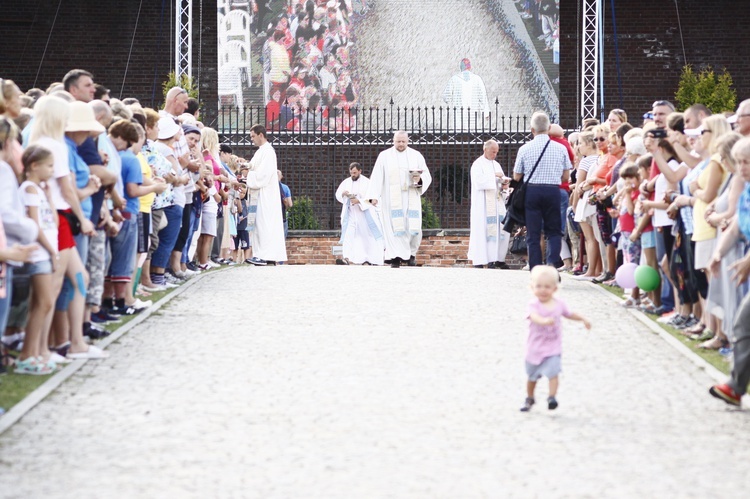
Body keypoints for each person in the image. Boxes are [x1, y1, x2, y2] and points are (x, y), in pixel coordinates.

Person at [520, 265, 591, 412]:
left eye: (547, 286)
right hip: (535, 348)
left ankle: (552, 397)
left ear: (554, 289)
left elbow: (569, 314)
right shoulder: (533, 304)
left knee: (553, 372)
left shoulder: (559, 304)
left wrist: (583, 319)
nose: (543, 290)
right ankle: (530, 397)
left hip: (553, 347)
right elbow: (534, 317)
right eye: (539, 286)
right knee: (532, 376)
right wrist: (544, 321)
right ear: (532, 288)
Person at [513, 112, 572, 269]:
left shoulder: (524, 149)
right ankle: (552, 264)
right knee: (553, 231)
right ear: (549, 128)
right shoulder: (560, 148)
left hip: (532, 191)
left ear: (532, 129)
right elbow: (566, 176)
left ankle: (535, 267)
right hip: (553, 190)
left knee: (534, 232)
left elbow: (517, 176)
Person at [366, 130, 432, 268]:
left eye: (403, 141)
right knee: (393, 228)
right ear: (393, 141)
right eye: (398, 141)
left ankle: (411, 255)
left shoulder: (416, 156)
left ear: (407, 141)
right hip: (391, 200)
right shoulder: (384, 156)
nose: (401, 144)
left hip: (411, 198)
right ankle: (395, 257)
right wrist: (373, 196)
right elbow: (377, 176)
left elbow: (426, 175)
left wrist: (419, 180)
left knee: (413, 227)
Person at [245, 124, 287, 265]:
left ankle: (264, 255)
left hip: (265, 194)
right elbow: (254, 166)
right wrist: (245, 165)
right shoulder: (261, 151)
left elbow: (263, 175)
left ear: (260, 135)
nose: (251, 139)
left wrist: (248, 174)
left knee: (264, 224)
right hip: (260, 193)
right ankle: (262, 255)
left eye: (253, 136)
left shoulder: (268, 151)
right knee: (260, 224)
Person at [468, 140, 511, 268]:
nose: (495, 155)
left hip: (497, 203)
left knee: (499, 231)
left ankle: (495, 259)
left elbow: (499, 182)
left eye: (496, 152)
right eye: (493, 152)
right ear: (485, 149)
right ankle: (480, 260)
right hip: (482, 205)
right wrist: (493, 176)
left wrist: (504, 185)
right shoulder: (477, 164)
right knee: (483, 231)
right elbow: (479, 182)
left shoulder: (496, 165)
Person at [335, 162, 384, 265]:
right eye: (351, 173)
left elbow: (374, 200)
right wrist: (343, 194)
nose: (353, 175)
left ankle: (370, 259)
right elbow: (338, 195)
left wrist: (360, 201)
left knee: (366, 237)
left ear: (360, 171)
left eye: (355, 173)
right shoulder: (346, 182)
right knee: (348, 235)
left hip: (364, 214)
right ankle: (346, 258)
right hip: (351, 214)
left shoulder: (367, 183)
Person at [442, 58, 490, 128]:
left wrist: (448, 100)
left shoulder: (454, 79)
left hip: (459, 113)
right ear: (469, 67)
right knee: (473, 133)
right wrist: (486, 112)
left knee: (459, 133)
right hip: (473, 112)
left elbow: (446, 97)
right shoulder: (477, 79)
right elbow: (483, 96)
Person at [279, 170, 293, 239]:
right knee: (282, 238)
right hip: (282, 214)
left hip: (270, 215)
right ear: (281, 177)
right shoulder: (285, 188)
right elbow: (290, 204)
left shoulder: (267, 188)